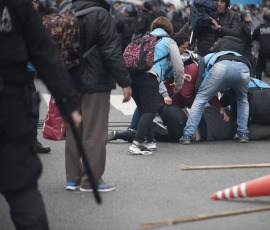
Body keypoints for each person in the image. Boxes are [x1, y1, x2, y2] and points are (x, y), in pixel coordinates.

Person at [0, 0, 81, 229]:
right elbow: (45, 53)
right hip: (10, 101)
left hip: (11, 99)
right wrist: (67, 100)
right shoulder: (16, 6)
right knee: (22, 188)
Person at [65, 0, 132, 192]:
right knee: (94, 131)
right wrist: (125, 81)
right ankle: (91, 181)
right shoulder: (101, 15)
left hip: (70, 80)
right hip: (95, 81)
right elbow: (111, 51)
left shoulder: (68, 12)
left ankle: (73, 179)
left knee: (74, 131)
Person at [128, 16, 184, 155]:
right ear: (169, 29)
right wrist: (178, 83)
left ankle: (150, 141)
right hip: (149, 77)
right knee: (150, 110)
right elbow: (178, 65)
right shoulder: (169, 41)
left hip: (132, 76)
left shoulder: (142, 39)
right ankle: (137, 143)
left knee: (143, 109)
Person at [179, 37, 251, 144]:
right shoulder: (240, 55)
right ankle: (243, 134)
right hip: (243, 67)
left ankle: (187, 136)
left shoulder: (210, 56)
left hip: (220, 67)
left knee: (200, 99)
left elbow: (199, 83)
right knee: (242, 100)